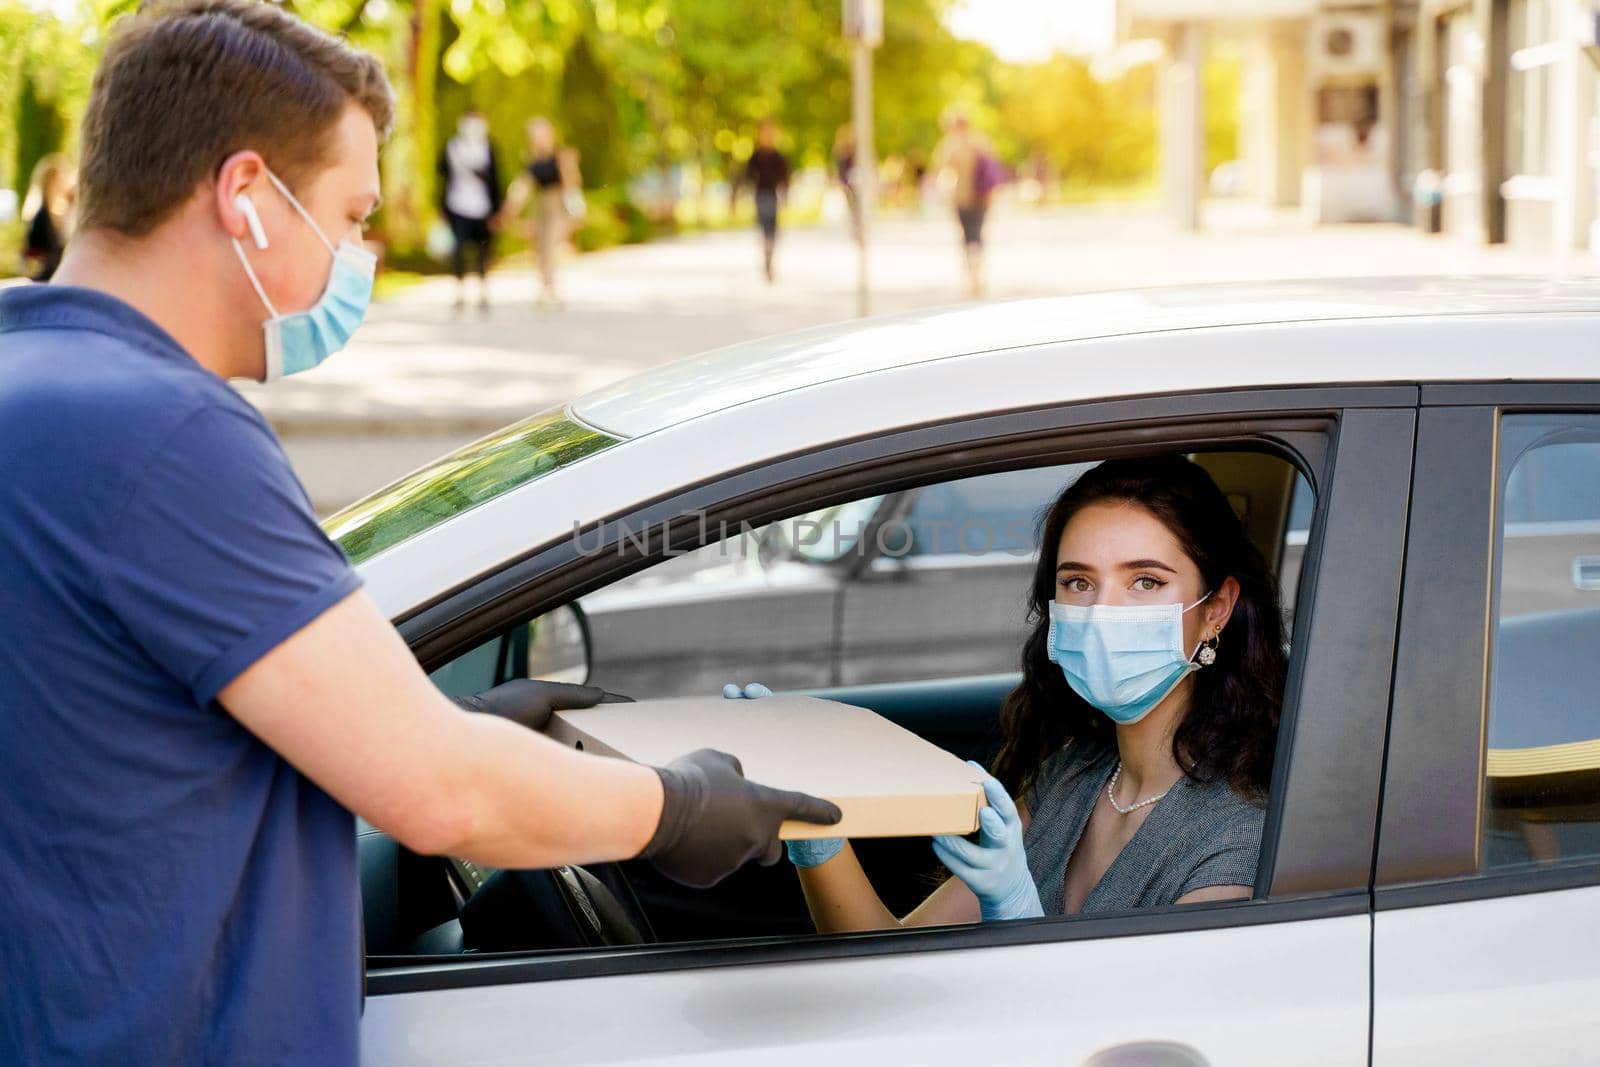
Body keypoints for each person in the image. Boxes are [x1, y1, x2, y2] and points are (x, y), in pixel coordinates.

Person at [0, 3, 838, 1063]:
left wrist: (429, 714)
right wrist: (678, 808)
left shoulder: (32, 379)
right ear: (248, 197)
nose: (362, 253)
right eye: (350, 217)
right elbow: (439, 789)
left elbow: (121, 737)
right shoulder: (161, 429)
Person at [743, 456, 1285, 930]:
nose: (1101, 614)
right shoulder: (1072, 777)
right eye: (1078, 583)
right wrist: (819, 831)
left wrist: (1021, 916)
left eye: (1145, 582)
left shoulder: (1240, 834)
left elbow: (1149, 1033)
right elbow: (885, 952)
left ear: (1216, 610)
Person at [502, 117, 580, 307]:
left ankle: (551, 288)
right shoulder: (533, 162)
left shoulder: (560, 156)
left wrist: (575, 212)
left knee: (550, 248)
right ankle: (545, 288)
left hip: (557, 205)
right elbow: (523, 186)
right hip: (541, 207)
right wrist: (510, 208)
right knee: (540, 249)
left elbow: (571, 184)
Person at [436, 108, 501, 314]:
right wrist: (442, 207)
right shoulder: (452, 147)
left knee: (483, 251)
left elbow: (496, 180)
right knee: (459, 251)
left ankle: (483, 291)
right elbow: (442, 177)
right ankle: (460, 292)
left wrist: (497, 211)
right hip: (458, 206)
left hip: (483, 208)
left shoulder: (489, 148)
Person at [931, 109, 996, 297]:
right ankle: (977, 270)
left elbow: (941, 170)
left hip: (961, 196)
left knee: (967, 233)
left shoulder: (950, 145)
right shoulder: (981, 141)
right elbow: (992, 169)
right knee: (977, 231)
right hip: (982, 195)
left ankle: (972, 272)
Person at [733, 118, 790, 283]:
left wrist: (786, 194)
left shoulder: (778, 156)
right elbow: (747, 177)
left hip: (773, 196)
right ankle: (766, 257)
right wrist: (737, 196)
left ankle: (770, 257)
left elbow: (785, 178)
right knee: (764, 228)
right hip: (760, 196)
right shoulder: (755, 156)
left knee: (773, 230)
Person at [21, 153, 76, 281]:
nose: (64, 183)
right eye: (60, 179)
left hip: (57, 279)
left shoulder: (60, 212)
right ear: (50, 182)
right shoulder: (40, 216)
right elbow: (30, 258)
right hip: (44, 281)